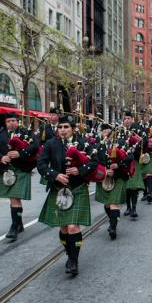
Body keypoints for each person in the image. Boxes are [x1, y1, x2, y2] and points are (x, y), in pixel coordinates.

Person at [37, 114, 100, 275]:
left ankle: (73, 260)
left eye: (66, 127)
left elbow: (94, 162)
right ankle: (69, 253)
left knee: (72, 227)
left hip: (78, 187)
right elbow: (41, 164)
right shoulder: (51, 144)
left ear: (73, 129)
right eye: (60, 127)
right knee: (64, 227)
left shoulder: (84, 143)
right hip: (59, 189)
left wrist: (80, 170)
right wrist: (55, 175)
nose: (63, 130)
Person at [0, 112, 40, 241]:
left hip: (21, 169)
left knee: (14, 199)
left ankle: (14, 226)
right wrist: (0, 157)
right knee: (14, 199)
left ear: (18, 122)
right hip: (5, 170)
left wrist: (20, 153)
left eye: (13, 120)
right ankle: (19, 223)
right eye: (8, 121)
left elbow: (35, 146)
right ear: (5, 123)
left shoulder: (26, 133)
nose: (11, 123)